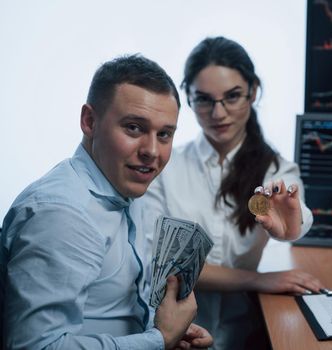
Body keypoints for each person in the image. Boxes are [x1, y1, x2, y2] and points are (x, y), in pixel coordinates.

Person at [0, 54, 213, 349]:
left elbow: (118, 307)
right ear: (89, 121)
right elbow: (36, 347)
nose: (152, 151)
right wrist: (158, 340)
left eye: (164, 134)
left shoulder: (124, 184)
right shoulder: (63, 215)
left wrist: (169, 331)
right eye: (134, 128)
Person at [142, 36, 324, 349]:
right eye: (204, 99)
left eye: (232, 96)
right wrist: (259, 280)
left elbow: (298, 218)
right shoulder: (164, 166)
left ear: (253, 92)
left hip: (247, 332)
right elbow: (167, 265)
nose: (219, 112)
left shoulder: (276, 169)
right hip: (173, 336)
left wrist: (292, 226)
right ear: (188, 97)